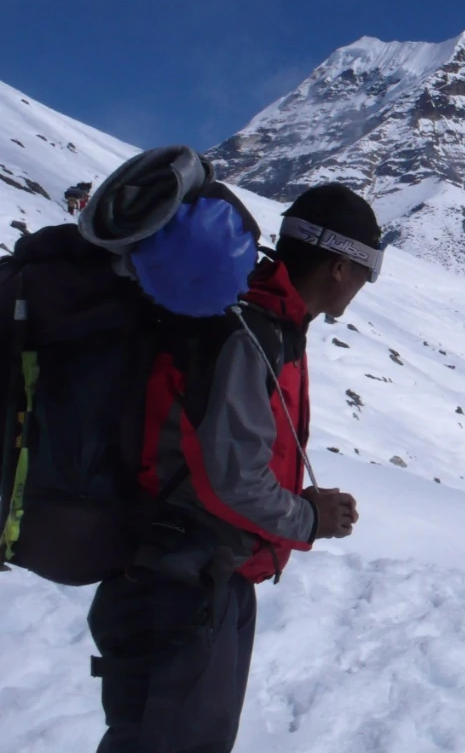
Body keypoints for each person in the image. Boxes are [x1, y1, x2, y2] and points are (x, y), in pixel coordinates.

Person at [86, 183, 383, 753]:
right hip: (183, 583)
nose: (364, 286)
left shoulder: (260, 321)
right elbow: (233, 480)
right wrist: (309, 518)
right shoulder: (250, 332)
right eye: (368, 271)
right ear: (341, 266)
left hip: (192, 574)